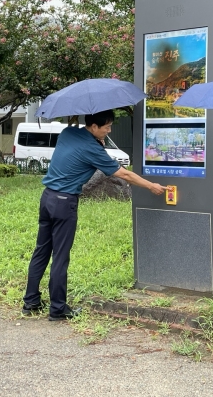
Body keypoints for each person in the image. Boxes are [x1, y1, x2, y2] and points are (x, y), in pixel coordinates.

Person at [22, 110, 168, 321]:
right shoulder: (92, 148)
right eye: (106, 127)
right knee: (60, 257)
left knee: (41, 251)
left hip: (47, 199)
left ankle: (31, 302)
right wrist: (151, 186)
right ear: (93, 126)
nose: (109, 130)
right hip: (65, 203)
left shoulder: (67, 133)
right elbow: (124, 174)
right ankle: (58, 309)